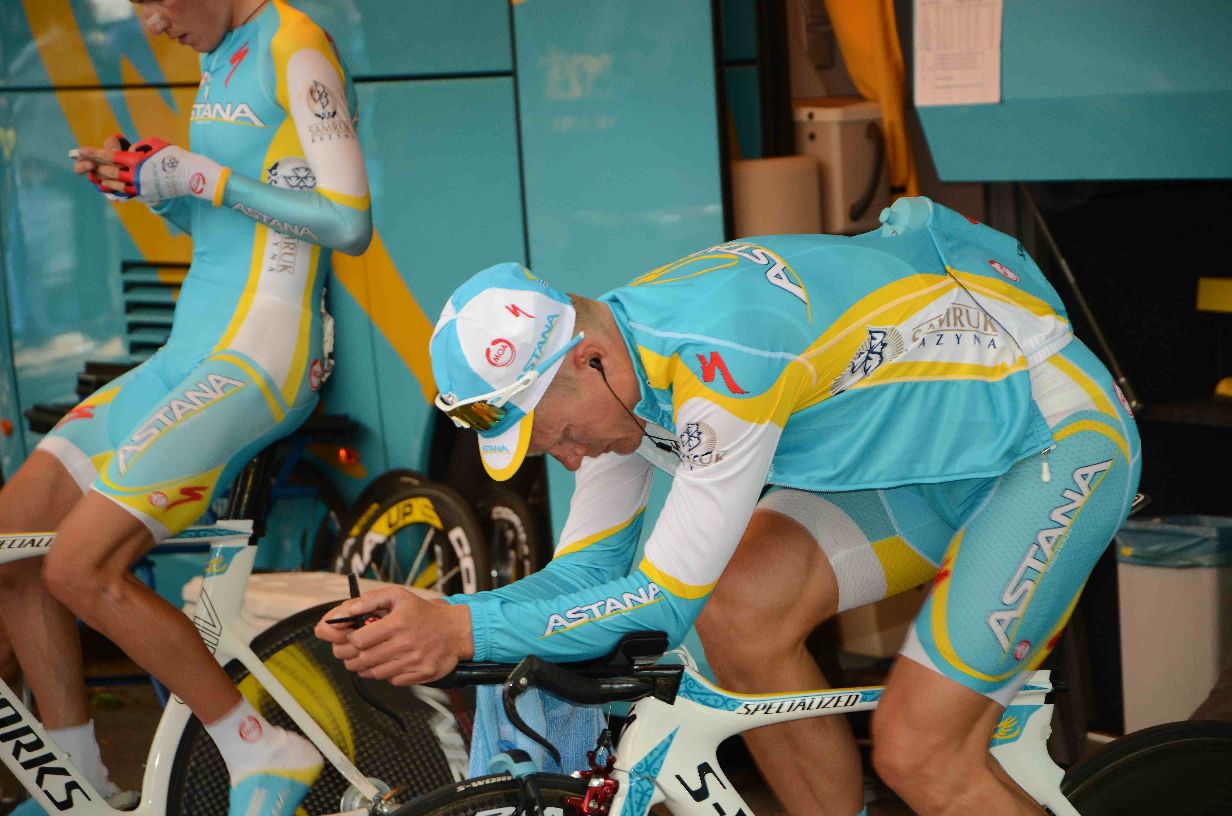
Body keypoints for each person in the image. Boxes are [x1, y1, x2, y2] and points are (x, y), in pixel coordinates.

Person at [316, 197, 1140, 816]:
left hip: (1048, 438)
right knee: (738, 613)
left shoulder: (725, 358)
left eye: (558, 434)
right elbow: (590, 573)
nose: (567, 458)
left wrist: (462, 632)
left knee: (919, 750)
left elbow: (664, 601)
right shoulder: (619, 370)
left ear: (588, 360)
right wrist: (451, 616)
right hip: (924, 464)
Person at [0, 0, 371, 813]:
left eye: (157, 0)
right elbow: (232, 226)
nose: (151, 22)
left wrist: (203, 177)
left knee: (77, 564)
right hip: (185, 355)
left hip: (259, 361)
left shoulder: (295, 44)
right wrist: (155, 187)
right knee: (12, 537)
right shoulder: (218, 52)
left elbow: (347, 224)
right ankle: (77, 779)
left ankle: (259, 748)